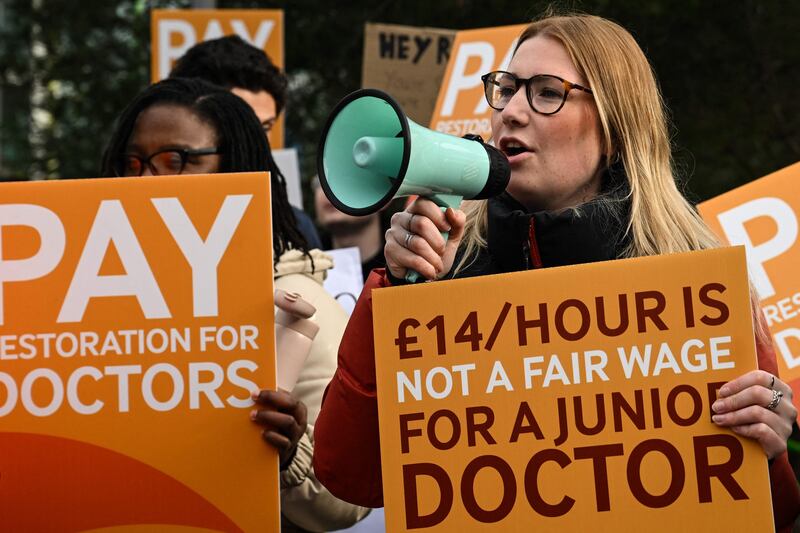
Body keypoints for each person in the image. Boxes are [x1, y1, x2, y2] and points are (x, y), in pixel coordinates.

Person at [312, 12, 800, 530]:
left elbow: (772, 514)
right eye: (505, 88)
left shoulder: (698, 287)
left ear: (614, 129)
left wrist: (764, 449)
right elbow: (350, 477)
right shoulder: (443, 273)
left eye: (547, 92)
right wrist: (395, 296)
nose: (512, 113)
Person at [101, 77, 369, 532]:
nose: (145, 179)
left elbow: (347, 500)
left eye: (175, 160)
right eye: (133, 161)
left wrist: (286, 457)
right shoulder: (87, 301)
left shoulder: (298, 305)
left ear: (236, 167)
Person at [169, 34, 322, 250]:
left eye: (266, 127)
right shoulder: (133, 218)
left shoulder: (294, 228)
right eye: (241, 125)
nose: (257, 141)